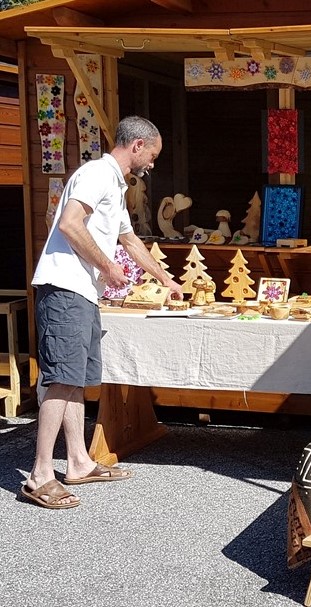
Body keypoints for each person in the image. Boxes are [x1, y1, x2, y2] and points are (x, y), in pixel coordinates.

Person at [22, 116, 182, 509]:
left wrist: (166, 278)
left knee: (76, 379)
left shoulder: (115, 183)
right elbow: (69, 224)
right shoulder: (95, 174)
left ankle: (78, 462)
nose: (153, 163)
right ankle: (40, 474)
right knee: (61, 379)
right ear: (137, 145)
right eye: (153, 155)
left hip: (82, 293)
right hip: (65, 288)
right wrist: (107, 267)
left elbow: (130, 241)